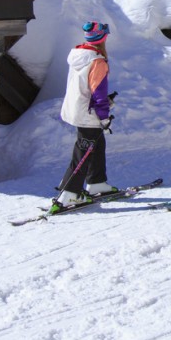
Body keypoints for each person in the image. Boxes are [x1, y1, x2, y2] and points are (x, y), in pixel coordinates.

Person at [52, 21, 116, 212]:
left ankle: (97, 182)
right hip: (88, 113)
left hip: (76, 108)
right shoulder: (97, 61)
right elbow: (98, 92)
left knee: (96, 143)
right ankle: (69, 193)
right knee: (84, 150)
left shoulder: (80, 55)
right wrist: (104, 116)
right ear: (103, 38)